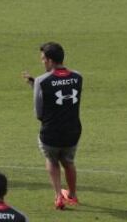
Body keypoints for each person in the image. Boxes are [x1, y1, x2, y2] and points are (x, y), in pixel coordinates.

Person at [22, 42, 82, 209]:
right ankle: (72, 194)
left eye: (43, 59)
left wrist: (36, 86)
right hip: (73, 131)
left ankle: (58, 197)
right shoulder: (78, 76)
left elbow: (39, 113)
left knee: (52, 159)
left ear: (49, 60)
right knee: (68, 161)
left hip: (51, 133)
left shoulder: (42, 81)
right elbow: (64, 93)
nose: (42, 62)